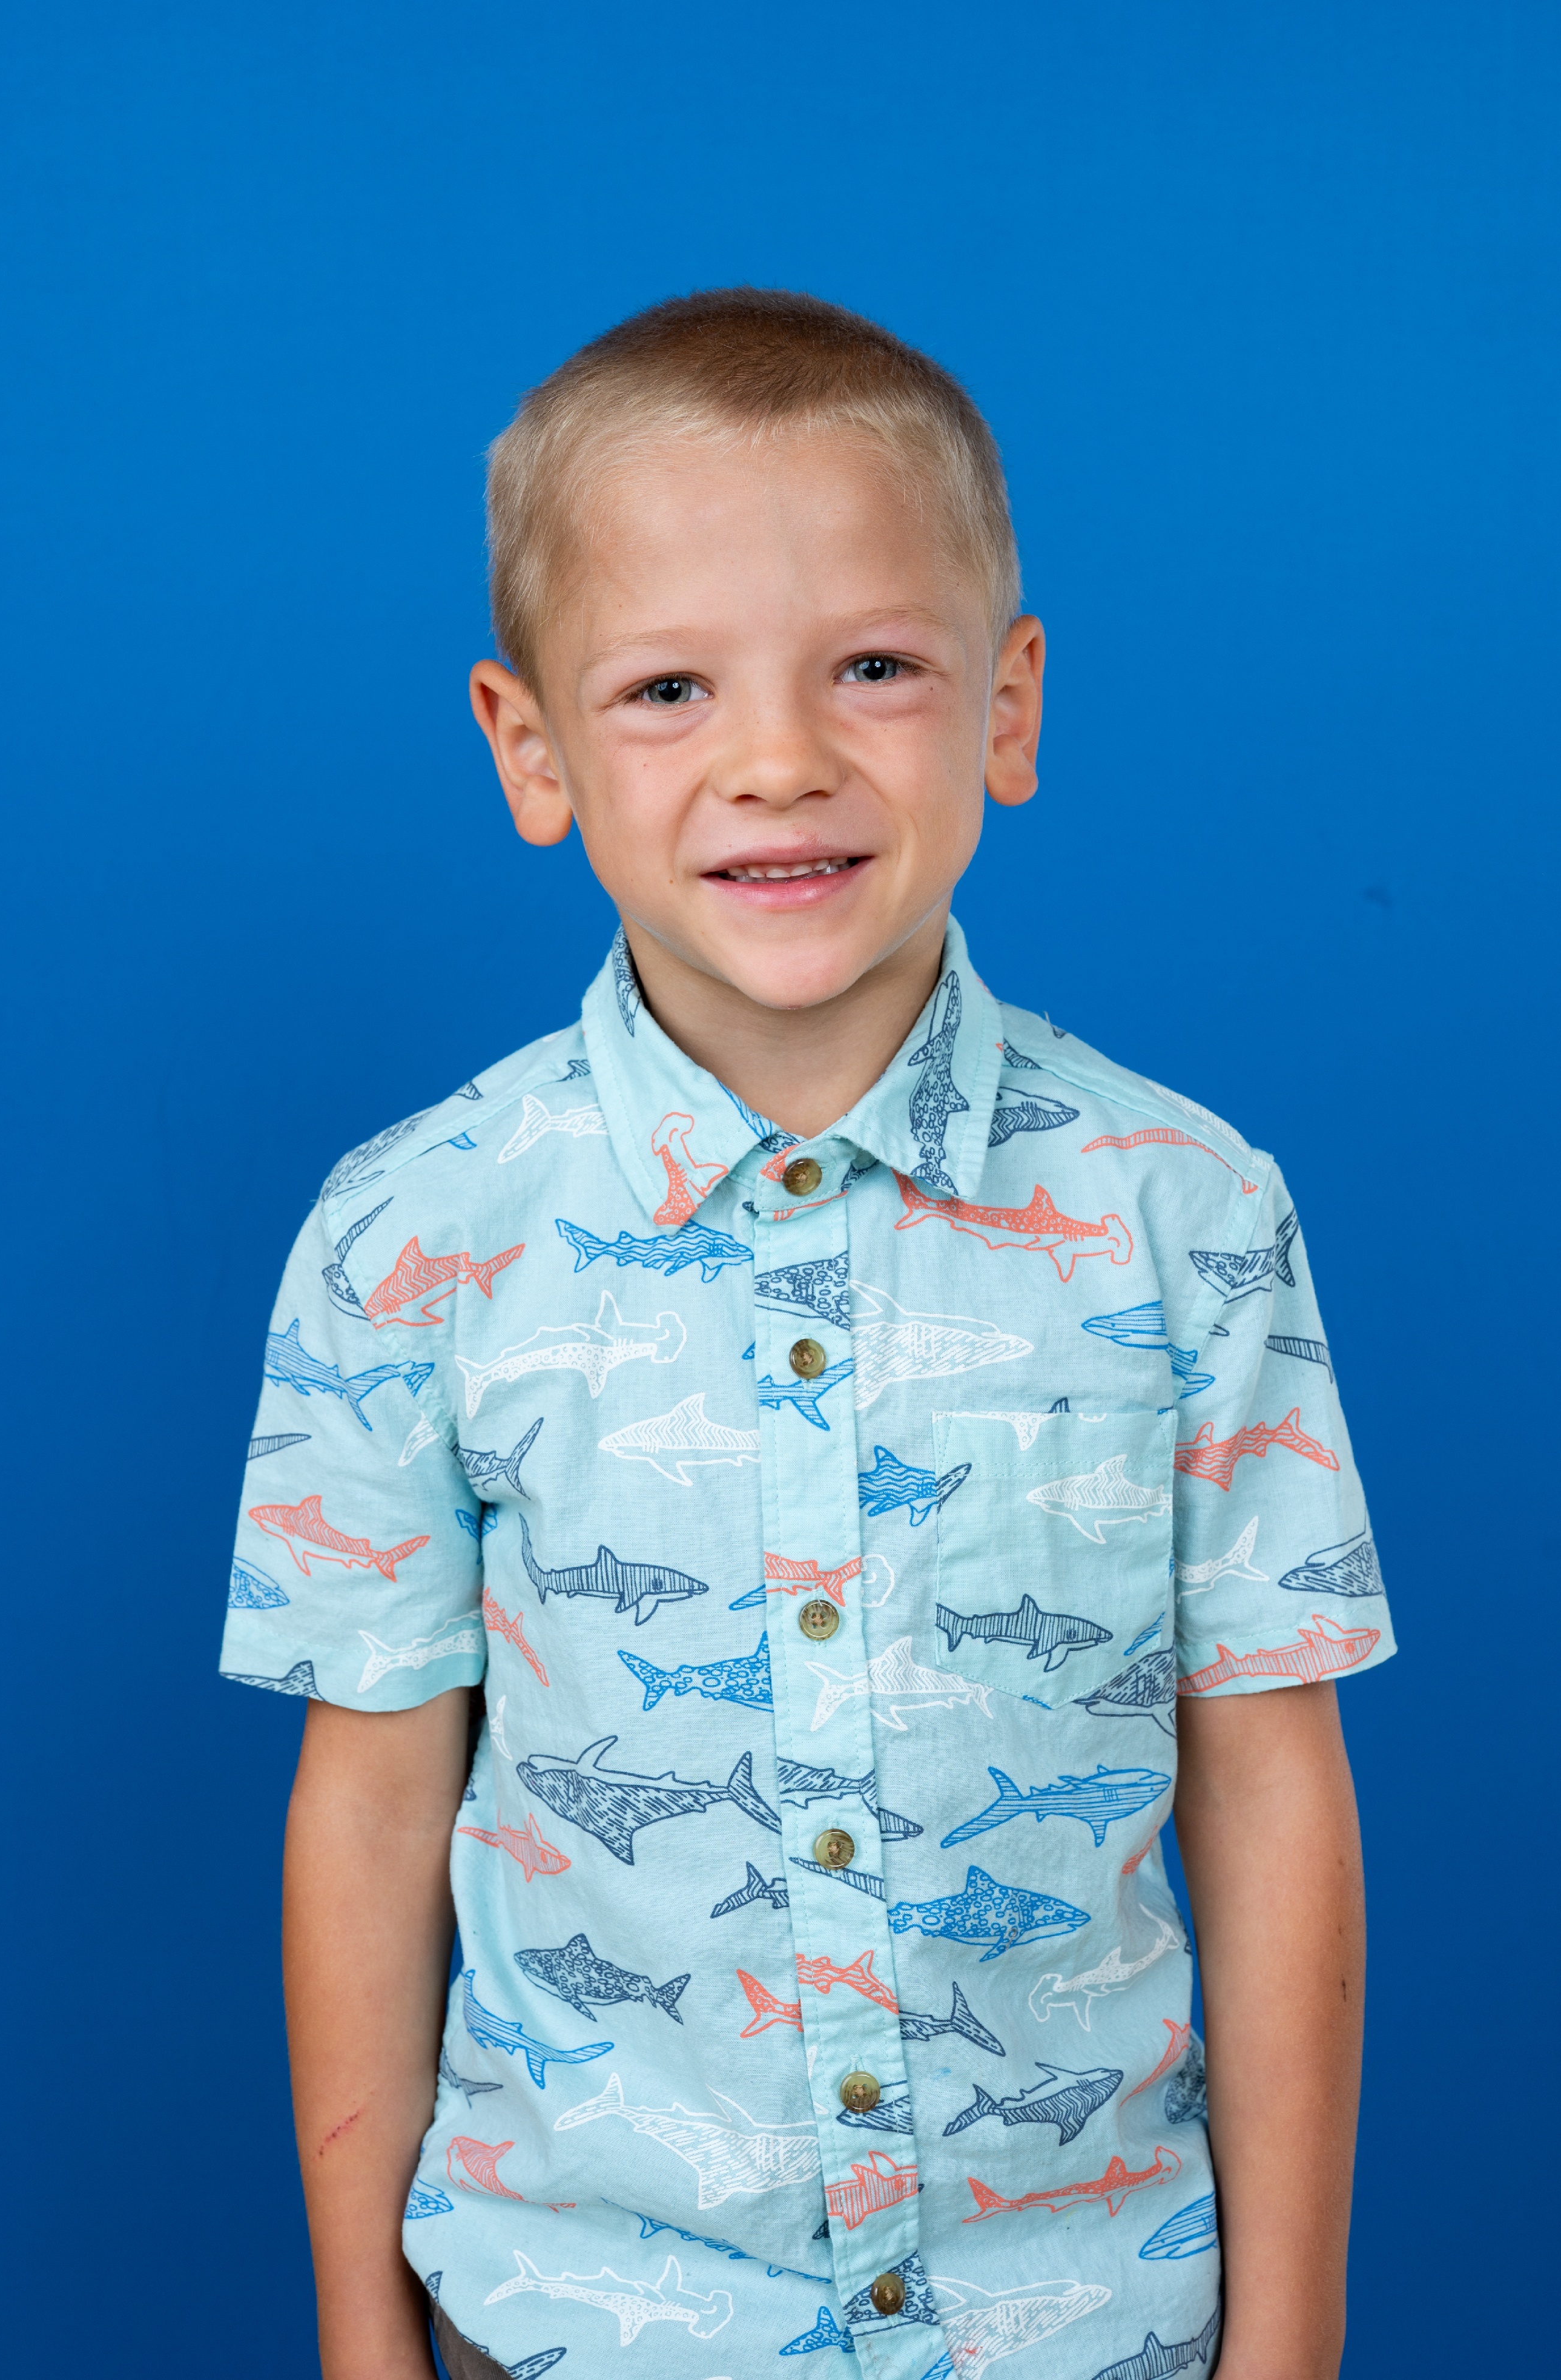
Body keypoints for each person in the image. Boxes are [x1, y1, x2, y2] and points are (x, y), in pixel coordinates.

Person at [222, 288, 1393, 2380]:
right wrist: (358, 2338)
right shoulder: (411, 1238)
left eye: (874, 666)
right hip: (575, 2327)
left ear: (1009, 707)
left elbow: (1272, 1787)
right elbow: (375, 1808)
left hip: (1087, 2327)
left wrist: (1291, 2342)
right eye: (669, 687)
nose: (780, 758)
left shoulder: (1190, 1213)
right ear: (531, 748)